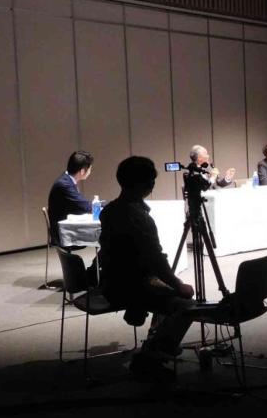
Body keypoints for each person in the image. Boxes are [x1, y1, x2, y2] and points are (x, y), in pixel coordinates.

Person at [99, 156, 196, 382]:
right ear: (146, 184)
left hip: (112, 281)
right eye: (152, 180)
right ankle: (152, 356)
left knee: (164, 289)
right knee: (187, 304)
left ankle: (155, 341)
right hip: (131, 285)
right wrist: (179, 285)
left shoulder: (109, 210)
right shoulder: (138, 216)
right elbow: (155, 259)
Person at [48, 150, 94, 246]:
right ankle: (98, 261)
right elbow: (84, 206)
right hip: (63, 232)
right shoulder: (64, 185)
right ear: (82, 171)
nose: (90, 172)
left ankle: (98, 261)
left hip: (67, 226)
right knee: (107, 233)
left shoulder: (66, 179)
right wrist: (107, 205)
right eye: (89, 169)